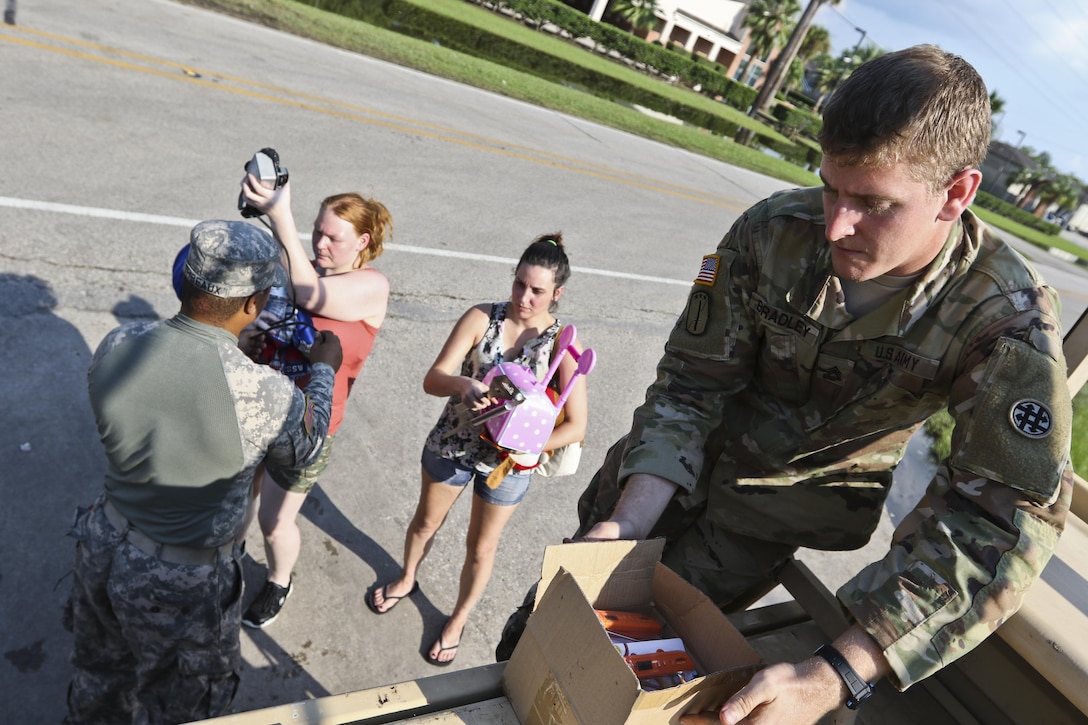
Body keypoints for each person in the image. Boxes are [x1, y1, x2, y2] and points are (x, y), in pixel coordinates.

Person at [503, 46, 1074, 724]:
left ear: (956, 193)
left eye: (873, 203)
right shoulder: (773, 233)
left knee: (625, 681)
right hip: (650, 481)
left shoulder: (1003, 321)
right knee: (531, 639)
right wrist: (626, 520)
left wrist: (838, 673)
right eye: (831, 187)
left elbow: (1002, 520)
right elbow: (691, 382)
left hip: (768, 516)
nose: (836, 225)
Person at [64, 220, 342, 724]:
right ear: (252, 305)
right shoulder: (261, 392)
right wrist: (324, 370)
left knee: (99, 672)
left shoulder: (119, 342)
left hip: (102, 541)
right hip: (181, 579)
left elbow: (175, 394)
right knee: (182, 705)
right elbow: (307, 452)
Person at [368, 233, 589, 666]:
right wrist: (463, 384)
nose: (524, 297)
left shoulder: (564, 345)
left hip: (506, 465)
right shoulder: (481, 318)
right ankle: (407, 577)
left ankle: (457, 619)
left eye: (537, 291)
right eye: (519, 284)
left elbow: (577, 426)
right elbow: (432, 379)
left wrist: (527, 442)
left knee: (481, 548)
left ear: (557, 294)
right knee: (425, 524)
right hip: (452, 443)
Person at [237, 176, 392, 628]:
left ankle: (279, 581)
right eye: (317, 232)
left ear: (362, 241)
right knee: (240, 494)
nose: (320, 243)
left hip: (307, 425)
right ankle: (230, 553)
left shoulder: (370, 286)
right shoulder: (305, 268)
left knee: (274, 522)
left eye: (333, 237)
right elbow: (268, 313)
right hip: (261, 404)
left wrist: (279, 214)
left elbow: (309, 297)